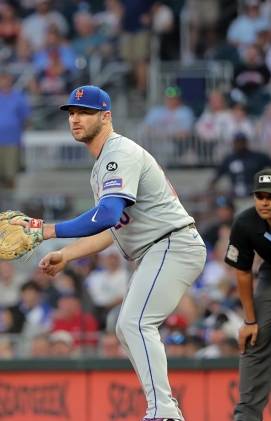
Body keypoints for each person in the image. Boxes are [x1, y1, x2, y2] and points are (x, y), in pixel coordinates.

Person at [29, 85, 206, 421]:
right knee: (127, 327)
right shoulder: (104, 164)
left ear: (106, 116)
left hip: (172, 244)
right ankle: (163, 409)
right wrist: (66, 253)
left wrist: (48, 230)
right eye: (72, 113)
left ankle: (165, 413)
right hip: (160, 247)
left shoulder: (118, 154)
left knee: (135, 322)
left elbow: (107, 215)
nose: (76, 119)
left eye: (85, 112)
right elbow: (113, 229)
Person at [225, 169, 271, 421]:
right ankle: (247, 416)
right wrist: (250, 321)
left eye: (270, 197)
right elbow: (243, 273)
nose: (265, 202)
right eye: (260, 196)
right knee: (254, 337)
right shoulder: (245, 222)